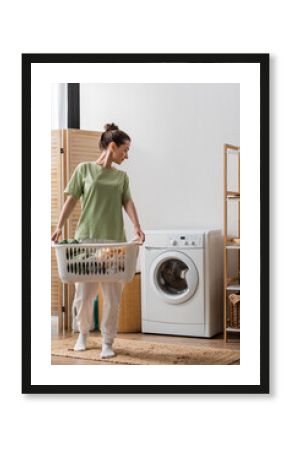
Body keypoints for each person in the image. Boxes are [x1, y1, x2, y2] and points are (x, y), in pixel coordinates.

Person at [51, 123, 145, 358]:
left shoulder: (121, 177)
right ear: (112, 147)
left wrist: (137, 226)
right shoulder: (84, 170)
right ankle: (82, 334)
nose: (127, 155)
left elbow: (128, 203)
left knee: (112, 298)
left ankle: (107, 342)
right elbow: (71, 201)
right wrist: (59, 226)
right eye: (125, 149)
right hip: (87, 241)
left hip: (114, 244)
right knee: (83, 296)